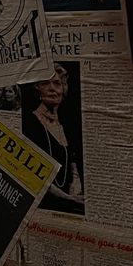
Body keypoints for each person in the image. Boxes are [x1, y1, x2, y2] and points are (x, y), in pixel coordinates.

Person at [22, 64, 84, 215]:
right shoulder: (29, 123)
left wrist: (76, 190)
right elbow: (30, 174)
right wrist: (68, 198)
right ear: (37, 89)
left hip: (67, 204)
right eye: (45, 83)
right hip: (42, 205)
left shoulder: (65, 125)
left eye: (57, 83)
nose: (52, 88)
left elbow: (72, 162)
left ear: (63, 89)